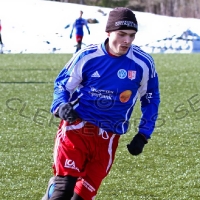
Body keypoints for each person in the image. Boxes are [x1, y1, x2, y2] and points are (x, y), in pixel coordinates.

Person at [41, 7, 160, 200]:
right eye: (121, 34)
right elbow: (62, 85)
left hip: (109, 138)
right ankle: (56, 188)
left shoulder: (142, 63)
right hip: (77, 129)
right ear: (108, 32)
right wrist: (61, 105)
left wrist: (143, 134)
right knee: (63, 191)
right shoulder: (87, 56)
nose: (127, 41)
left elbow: (151, 97)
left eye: (131, 35)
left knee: (81, 197)